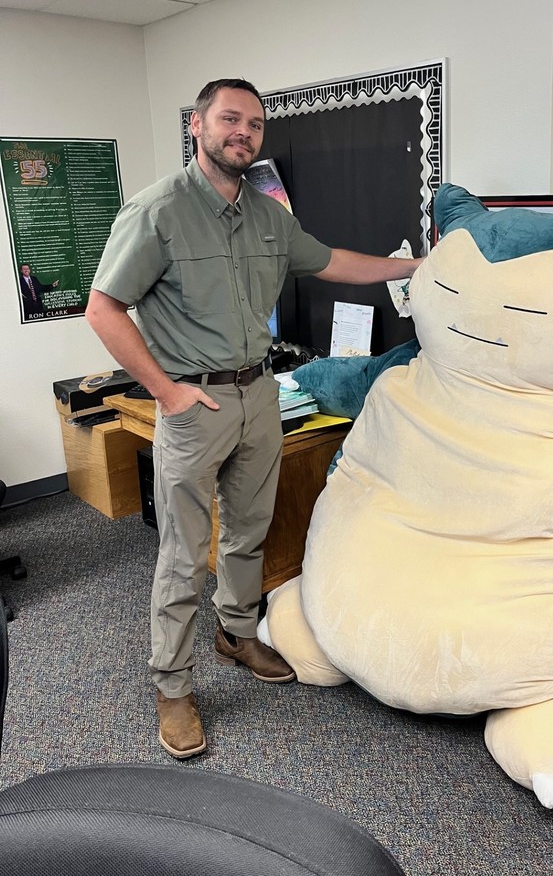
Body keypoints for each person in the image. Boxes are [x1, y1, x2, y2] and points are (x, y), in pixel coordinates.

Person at [86, 78, 422, 760]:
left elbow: (334, 262)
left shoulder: (271, 216)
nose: (245, 132)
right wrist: (166, 392)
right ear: (198, 126)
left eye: (256, 124)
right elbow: (103, 309)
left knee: (248, 531)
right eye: (231, 119)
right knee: (183, 556)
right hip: (194, 405)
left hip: (260, 395)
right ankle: (173, 686)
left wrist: (418, 263)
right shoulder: (157, 211)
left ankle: (236, 632)